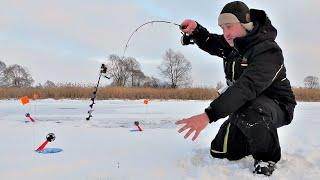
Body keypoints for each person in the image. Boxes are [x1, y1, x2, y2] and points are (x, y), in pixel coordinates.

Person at [175, 1, 296, 176]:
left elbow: (245, 88)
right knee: (221, 151)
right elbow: (211, 42)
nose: (226, 33)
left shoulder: (268, 51)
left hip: (277, 106)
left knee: (250, 109)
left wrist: (209, 115)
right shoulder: (233, 45)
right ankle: (254, 133)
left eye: (229, 26)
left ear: (246, 24)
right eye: (223, 28)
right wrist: (195, 30)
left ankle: (266, 157)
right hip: (245, 104)